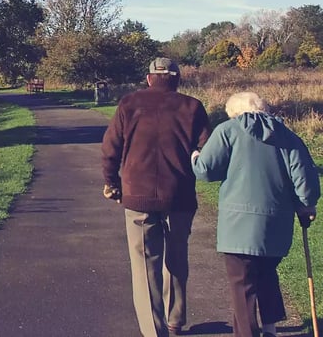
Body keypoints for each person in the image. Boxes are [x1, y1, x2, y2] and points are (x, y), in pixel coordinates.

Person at [191, 91, 320, 337]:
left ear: (235, 112)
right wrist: (307, 205)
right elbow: (305, 182)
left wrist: (195, 156)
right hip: (276, 223)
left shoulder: (227, 130)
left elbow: (206, 171)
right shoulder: (287, 136)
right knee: (267, 273)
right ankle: (269, 329)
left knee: (242, 286)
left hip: (237, 226)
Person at [101, 57, 211, 337]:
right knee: (176, 257)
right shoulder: (192, 106)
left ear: (149, 78)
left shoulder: (129, 103)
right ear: (176, 79)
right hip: (180, 196)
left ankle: (154, 331)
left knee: (144, 266)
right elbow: (206, 152)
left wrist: (111, 183)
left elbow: (111, 147)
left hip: (138, 195)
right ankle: (175, 320)